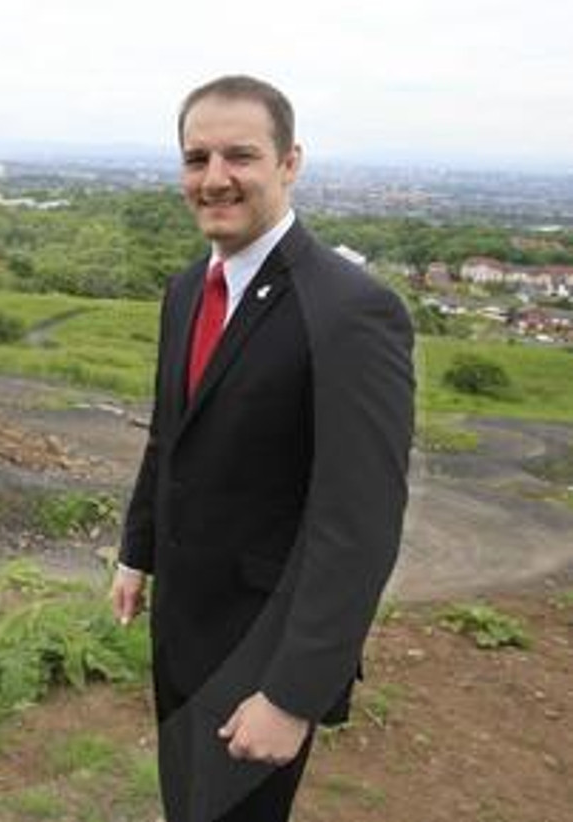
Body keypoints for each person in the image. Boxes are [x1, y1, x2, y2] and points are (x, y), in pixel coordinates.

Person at [110, 75, 415, 822]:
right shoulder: (187, 289)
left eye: (240, 155)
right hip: (182, 619)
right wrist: (137, 549)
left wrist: (294, 694)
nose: (215, 179)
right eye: (196, 158)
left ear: (289, 162)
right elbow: (171, 432)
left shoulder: (353, 312)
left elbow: (360, 526)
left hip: (262, 650)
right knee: (184, 802)